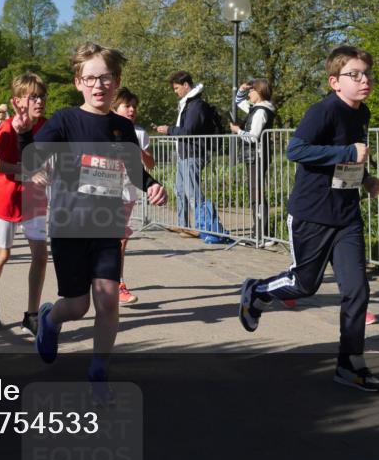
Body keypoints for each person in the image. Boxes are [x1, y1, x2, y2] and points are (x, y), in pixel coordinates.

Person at [20, 43, 166, 401]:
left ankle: (98, 373)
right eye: (90, 78)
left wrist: (153, 186)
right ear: (78, 82)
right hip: (70, 225)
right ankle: (51, 319)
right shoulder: (66, 120)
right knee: (78, 305)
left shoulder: (121, 127)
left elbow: (134, 170)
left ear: (116, 82)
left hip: (107, 227)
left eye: (106, 78)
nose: (98, 85)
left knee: (107, 302)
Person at [239, 46, 379, 392]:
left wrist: (364, 178)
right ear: (335, 82)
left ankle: (350, 365)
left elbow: (350, 158)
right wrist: (348, 152)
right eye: (355, 74)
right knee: (305, 285)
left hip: (347, 215)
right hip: (313, 214)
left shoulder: (362, 113)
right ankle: (257, 291)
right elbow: (296, 150)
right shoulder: (323, 111)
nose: (364, 80)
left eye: (367, 73)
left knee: (357, 291)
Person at [0, 73, 50, 335]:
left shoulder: (47, 126)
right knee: (3, 253)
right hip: (7, 198)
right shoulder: (6, 128)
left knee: (41, 256)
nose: (39, 101)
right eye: (33, 96)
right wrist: (25, 171)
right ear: (17, 101)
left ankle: (31, 315)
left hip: (34, 201)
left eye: (42, 96)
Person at [155, 71, 216, 237]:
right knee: (180, 190)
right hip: (185, 154)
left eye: (176, 88)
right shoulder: (188, 104)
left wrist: (169, 130)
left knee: (192, 192)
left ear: (186, 85)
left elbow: (188, 131)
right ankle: (183, 225)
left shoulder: (196, 105)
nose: (175, 91)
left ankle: (202, 227)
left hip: (193, 153)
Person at [112, 88, 155, 305]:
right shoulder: (104, 129)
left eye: (134, 107)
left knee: (120, 240)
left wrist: (139, 151)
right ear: (114, 107)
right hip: (103, 191)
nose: (131, 110)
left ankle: (116, 284)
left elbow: (150, 164)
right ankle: (105, 282)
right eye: (126, 106)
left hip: (127, 191)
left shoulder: (139, 133)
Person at [229, 79, 277, 239]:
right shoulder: (255, 108)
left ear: (260, 92)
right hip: (254, 156)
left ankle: (261, 234)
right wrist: (242, 90)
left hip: (257, 155)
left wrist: (238, 131)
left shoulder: (261, 111)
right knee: (254, 192)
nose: (249, 93)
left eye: (251, 91)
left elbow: (253, 137)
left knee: (256, 193)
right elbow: (238, 101)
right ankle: (258, 232)